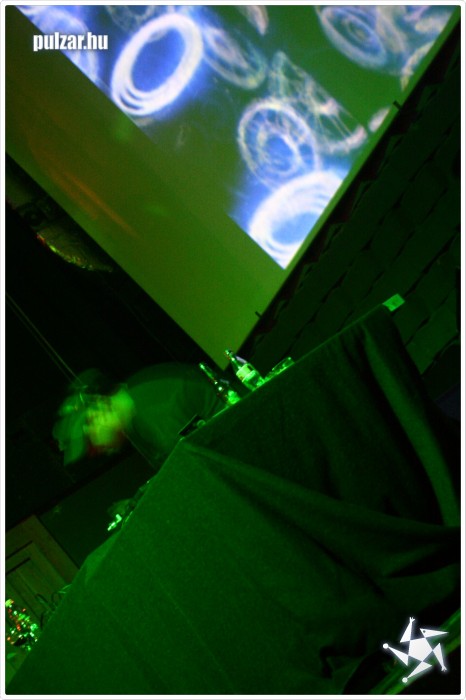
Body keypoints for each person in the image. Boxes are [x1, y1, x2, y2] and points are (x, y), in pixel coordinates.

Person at [53, 363, 225, 470]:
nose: (102, 451)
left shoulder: (154, 411)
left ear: (99, 411)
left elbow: (198, 470)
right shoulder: (134, 404)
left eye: (92, 445)